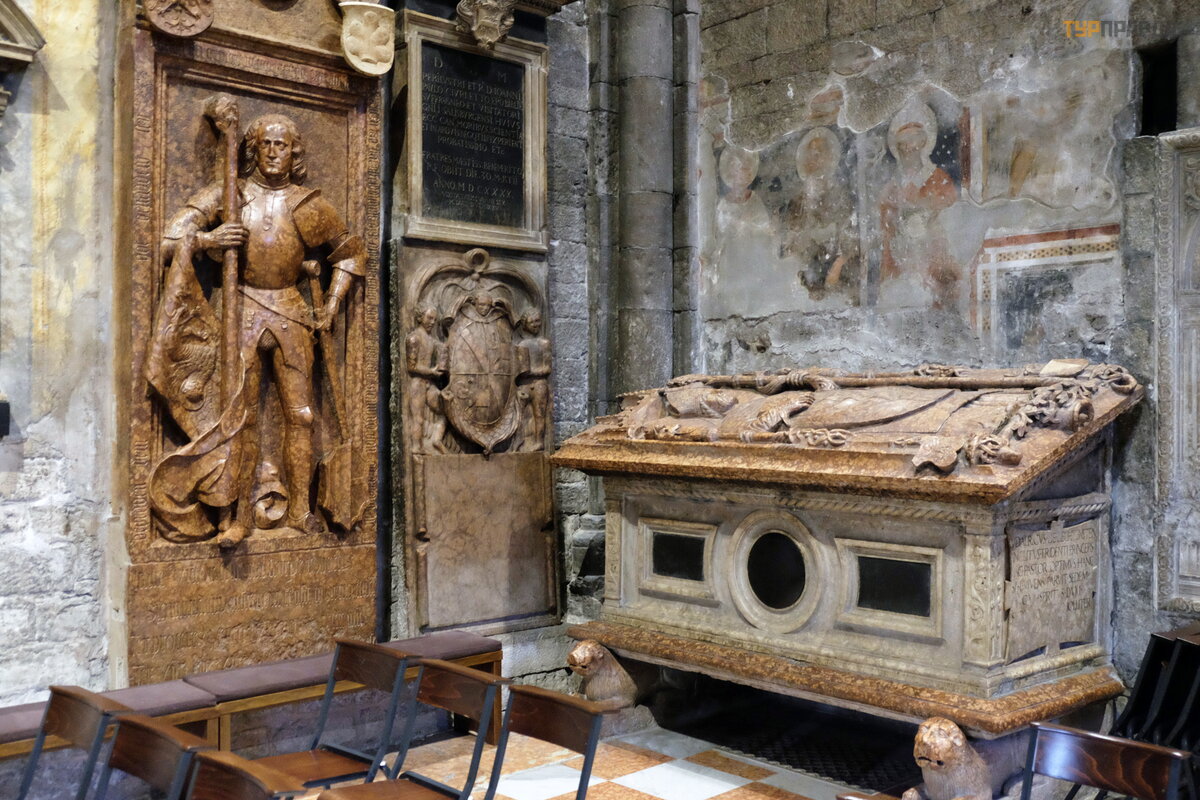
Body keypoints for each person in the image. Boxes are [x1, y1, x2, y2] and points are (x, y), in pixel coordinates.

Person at [156, 112, 365, 545]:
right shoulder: (232, 194)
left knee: (302, 416)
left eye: (281, 145)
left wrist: (331, 305)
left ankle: (301, 511)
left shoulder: (306, 204)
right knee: (240, 415)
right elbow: (168, 242)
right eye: (265, 144)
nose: (273, 153)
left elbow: (350, 253)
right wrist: (210, 241)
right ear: (253, 150)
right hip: (243, 307)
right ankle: (238, 517)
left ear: (294, 152)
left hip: (291, 311)